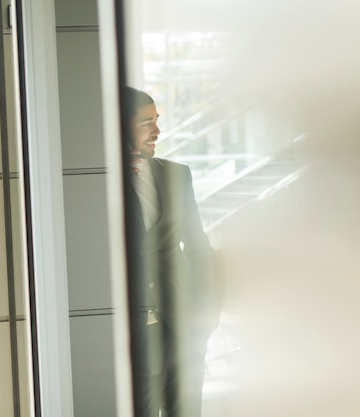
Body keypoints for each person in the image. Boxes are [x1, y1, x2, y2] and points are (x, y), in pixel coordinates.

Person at [123, 87, 219, 417]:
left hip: (184, 327)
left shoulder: (178, 174)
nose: (157, 131)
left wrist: (208, 315)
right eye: (146, 122)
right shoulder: (100, 183)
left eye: (157, 120)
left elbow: (197, 246)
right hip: (134, 333)